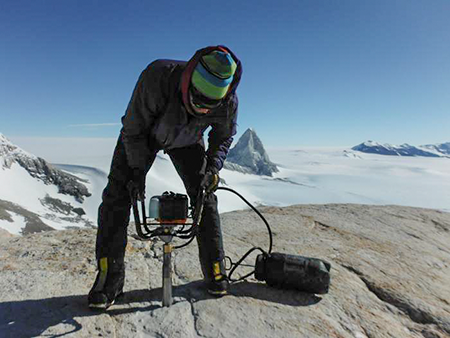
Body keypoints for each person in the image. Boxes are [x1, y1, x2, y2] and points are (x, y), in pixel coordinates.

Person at [88, 45, 242, 309]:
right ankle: (108, 278)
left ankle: (216, 268)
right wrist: (136, 171)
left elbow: (222, 136)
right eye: (198, 102)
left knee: (205, 195)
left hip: (186, 140)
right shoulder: (157, 77)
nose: (203, 111)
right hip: (142, 136)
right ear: (189, 81)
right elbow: (133, 128)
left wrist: (213, 169)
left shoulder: (228, 101)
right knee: (118, 197)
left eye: (209, 107)